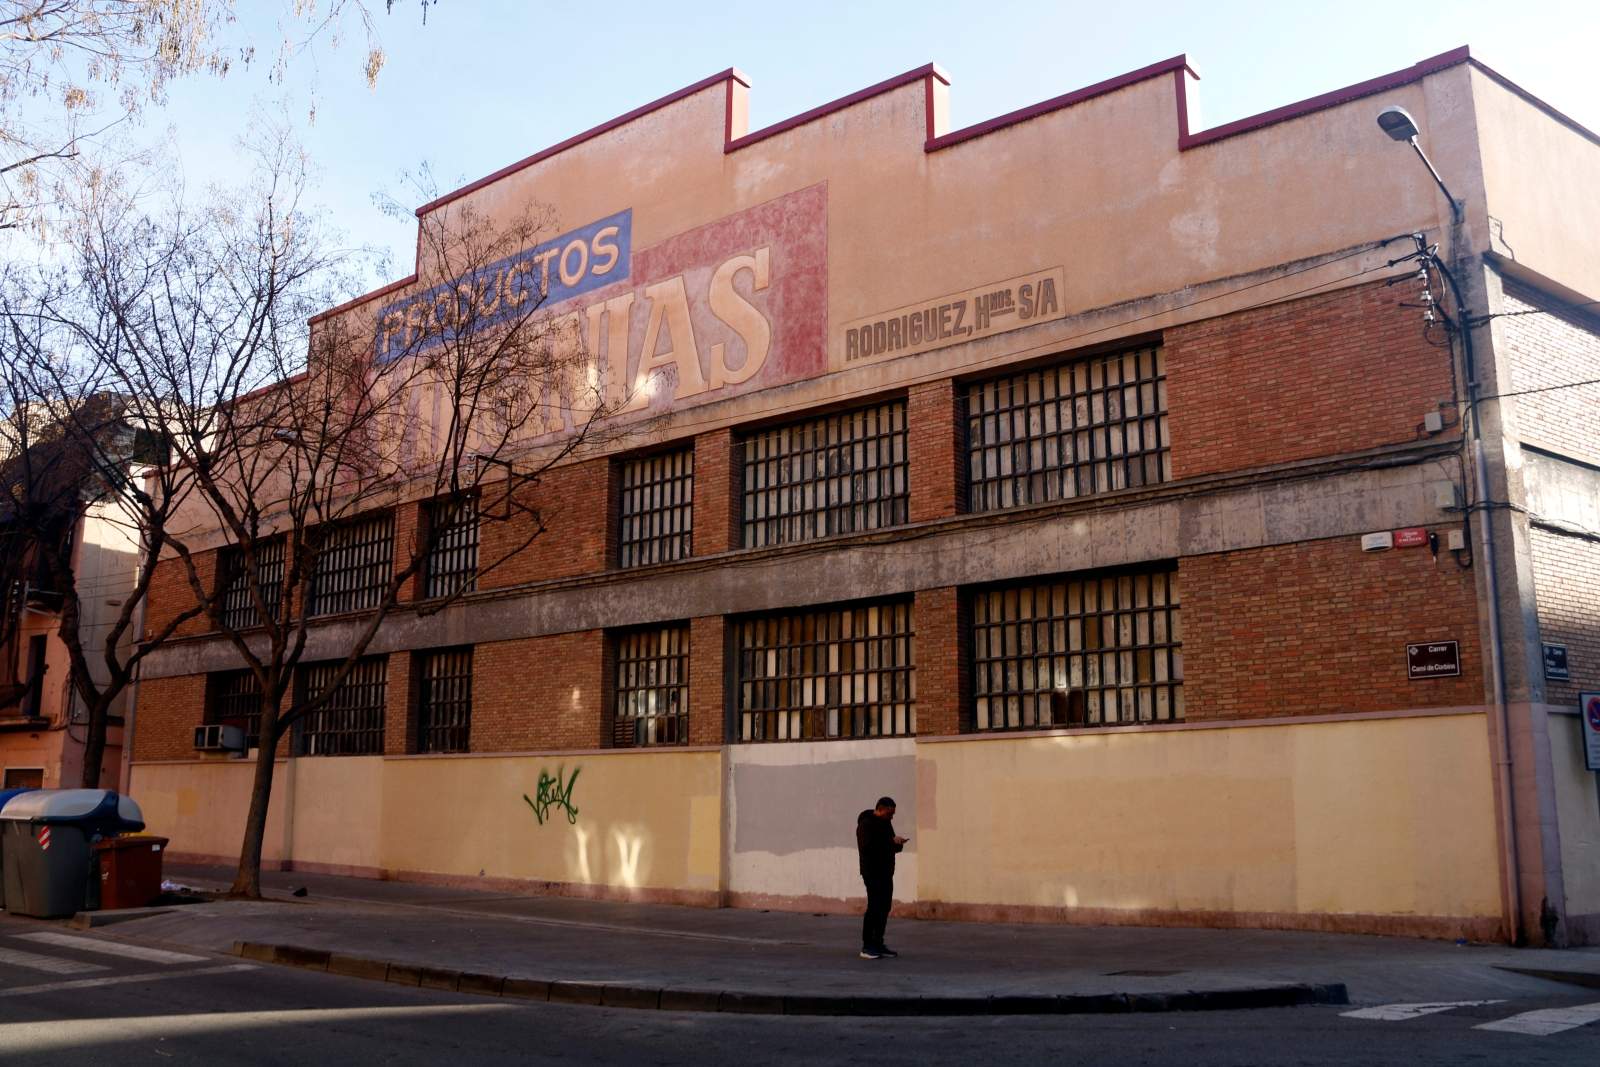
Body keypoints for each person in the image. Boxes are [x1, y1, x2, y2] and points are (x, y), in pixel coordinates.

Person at [855, 795, 907, 960]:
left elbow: (890, 846)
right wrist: (890, 842)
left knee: (884, 907)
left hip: (886, 872)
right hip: (872, 872)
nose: (891, 817)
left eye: (892, 814)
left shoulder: (886, 823)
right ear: (880, 810)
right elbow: (868, 848)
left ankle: (878, 942)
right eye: (889, 813)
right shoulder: (866, 825)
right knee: (874, 907)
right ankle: (867, 945)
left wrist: (898, 844)